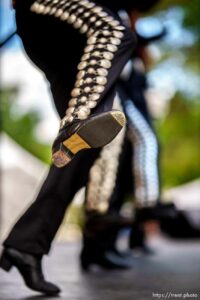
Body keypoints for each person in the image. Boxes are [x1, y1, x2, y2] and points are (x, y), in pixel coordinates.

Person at [0, 0, 138, 295]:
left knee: (83, 148)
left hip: (70, 46)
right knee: (114, 30)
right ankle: (77, 121)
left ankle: (26, 246)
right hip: (50, 15)